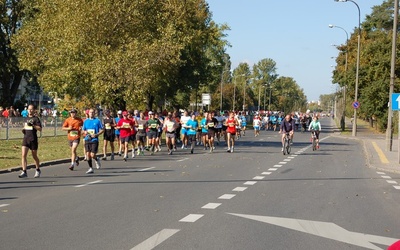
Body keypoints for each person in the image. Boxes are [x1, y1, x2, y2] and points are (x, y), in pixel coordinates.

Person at [18, 104, 42, 178]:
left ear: (34, 110)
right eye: (29, 109)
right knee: (23, 155)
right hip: (26, 139)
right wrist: (23, 129)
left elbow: (40, 129)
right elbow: (24, 128)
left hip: (33, 139)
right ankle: (24, 171)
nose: (30, 110)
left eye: (31, 109)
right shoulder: (25, 118)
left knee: (34, 156)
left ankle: (37, 169)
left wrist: (33, 125)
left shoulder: (36, 119)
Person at [82, 108, 104, 174]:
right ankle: (91, 168)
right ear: (88, 113)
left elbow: (102, 129)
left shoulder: (97, 121)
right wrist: (85, 132)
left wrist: (96, 134)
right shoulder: (86, 121)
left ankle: (97, 159)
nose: (91, 113)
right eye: (90, 112)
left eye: (92, 112)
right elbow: (83, 130)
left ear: (94, 113)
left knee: (92, 154)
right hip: (87, 139)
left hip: (94, 139)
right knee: (88, 154)